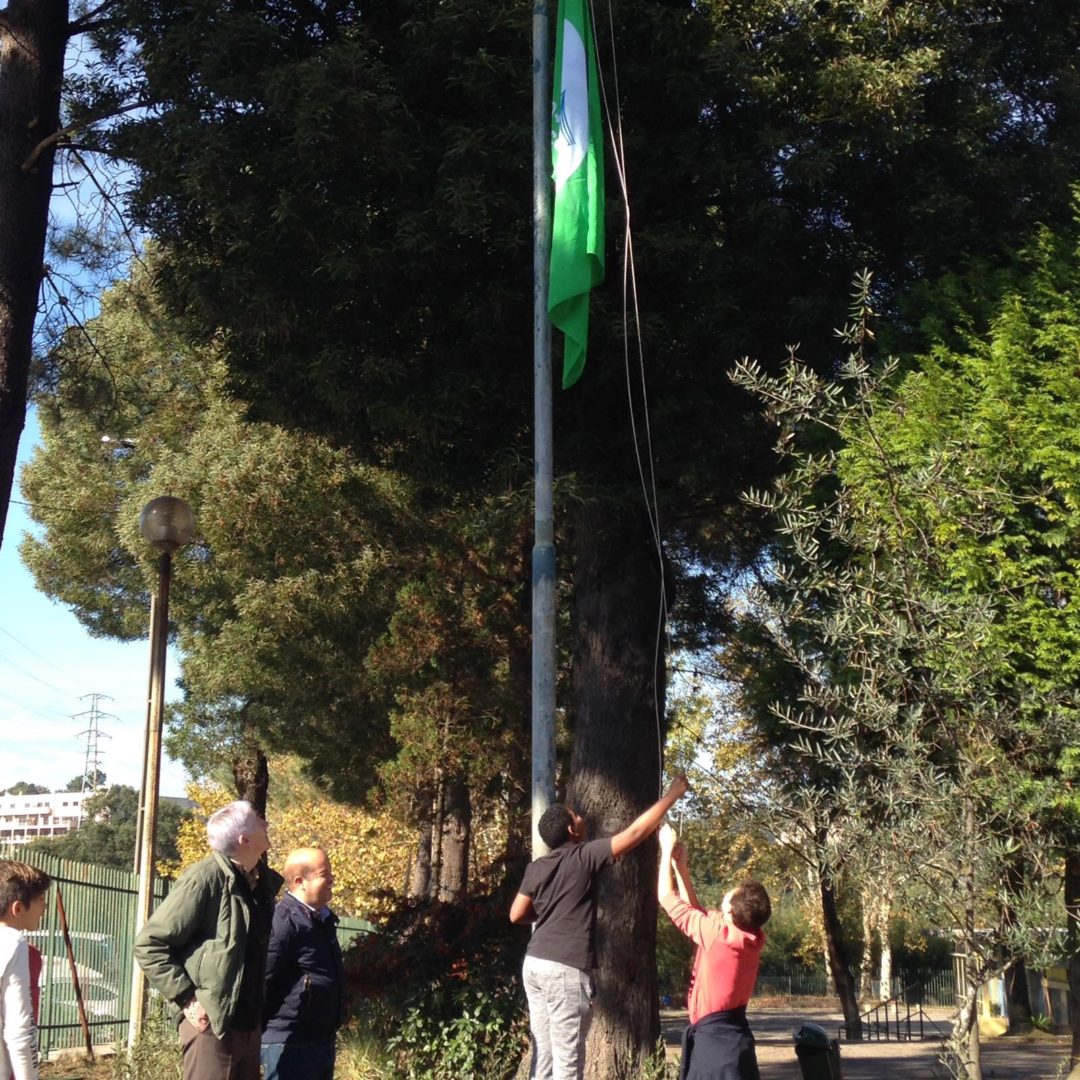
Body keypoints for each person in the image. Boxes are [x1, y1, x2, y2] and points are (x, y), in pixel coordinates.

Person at [509, 775, 690, 1080]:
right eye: (576, 815)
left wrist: (551, 915)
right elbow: (635, 832)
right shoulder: (584, 856)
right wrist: (673, 794)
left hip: (534, 964)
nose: (581, 817)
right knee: (568, 1064)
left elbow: (516, 914)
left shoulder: (537, 867)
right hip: (564, 968)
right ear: (571, 829)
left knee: (545, 1058)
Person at [134, 801, 282, 1080]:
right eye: (258, 820)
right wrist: (188, 999)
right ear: (244, 839)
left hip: (248, 1029)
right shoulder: (204, 879)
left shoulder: (260, 886)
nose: (266, 824)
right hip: (212, 1028)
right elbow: (149, 944)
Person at [657, 823, 771, 1080]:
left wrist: (664, 850)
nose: (725, 896)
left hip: (716, 1049)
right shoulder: (748, 935)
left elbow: (666, 896)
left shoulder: (719, 936)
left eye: (728, 897)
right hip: (733, 1041)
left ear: (730, 912)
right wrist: (681, 868)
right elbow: (696, 912)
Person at [261, 847, 345, 1080]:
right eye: (323, 874)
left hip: (318, 1042)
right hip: (288, 1044)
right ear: (300, 882)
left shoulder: (323, 920)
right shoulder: (283, 921)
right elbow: (263, 979)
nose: (331, 880)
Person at [0, 860, 50, 1080]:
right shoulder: (13, 942)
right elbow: (20, 1032)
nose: (45, 907)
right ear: (17, 908)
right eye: (40, 900)